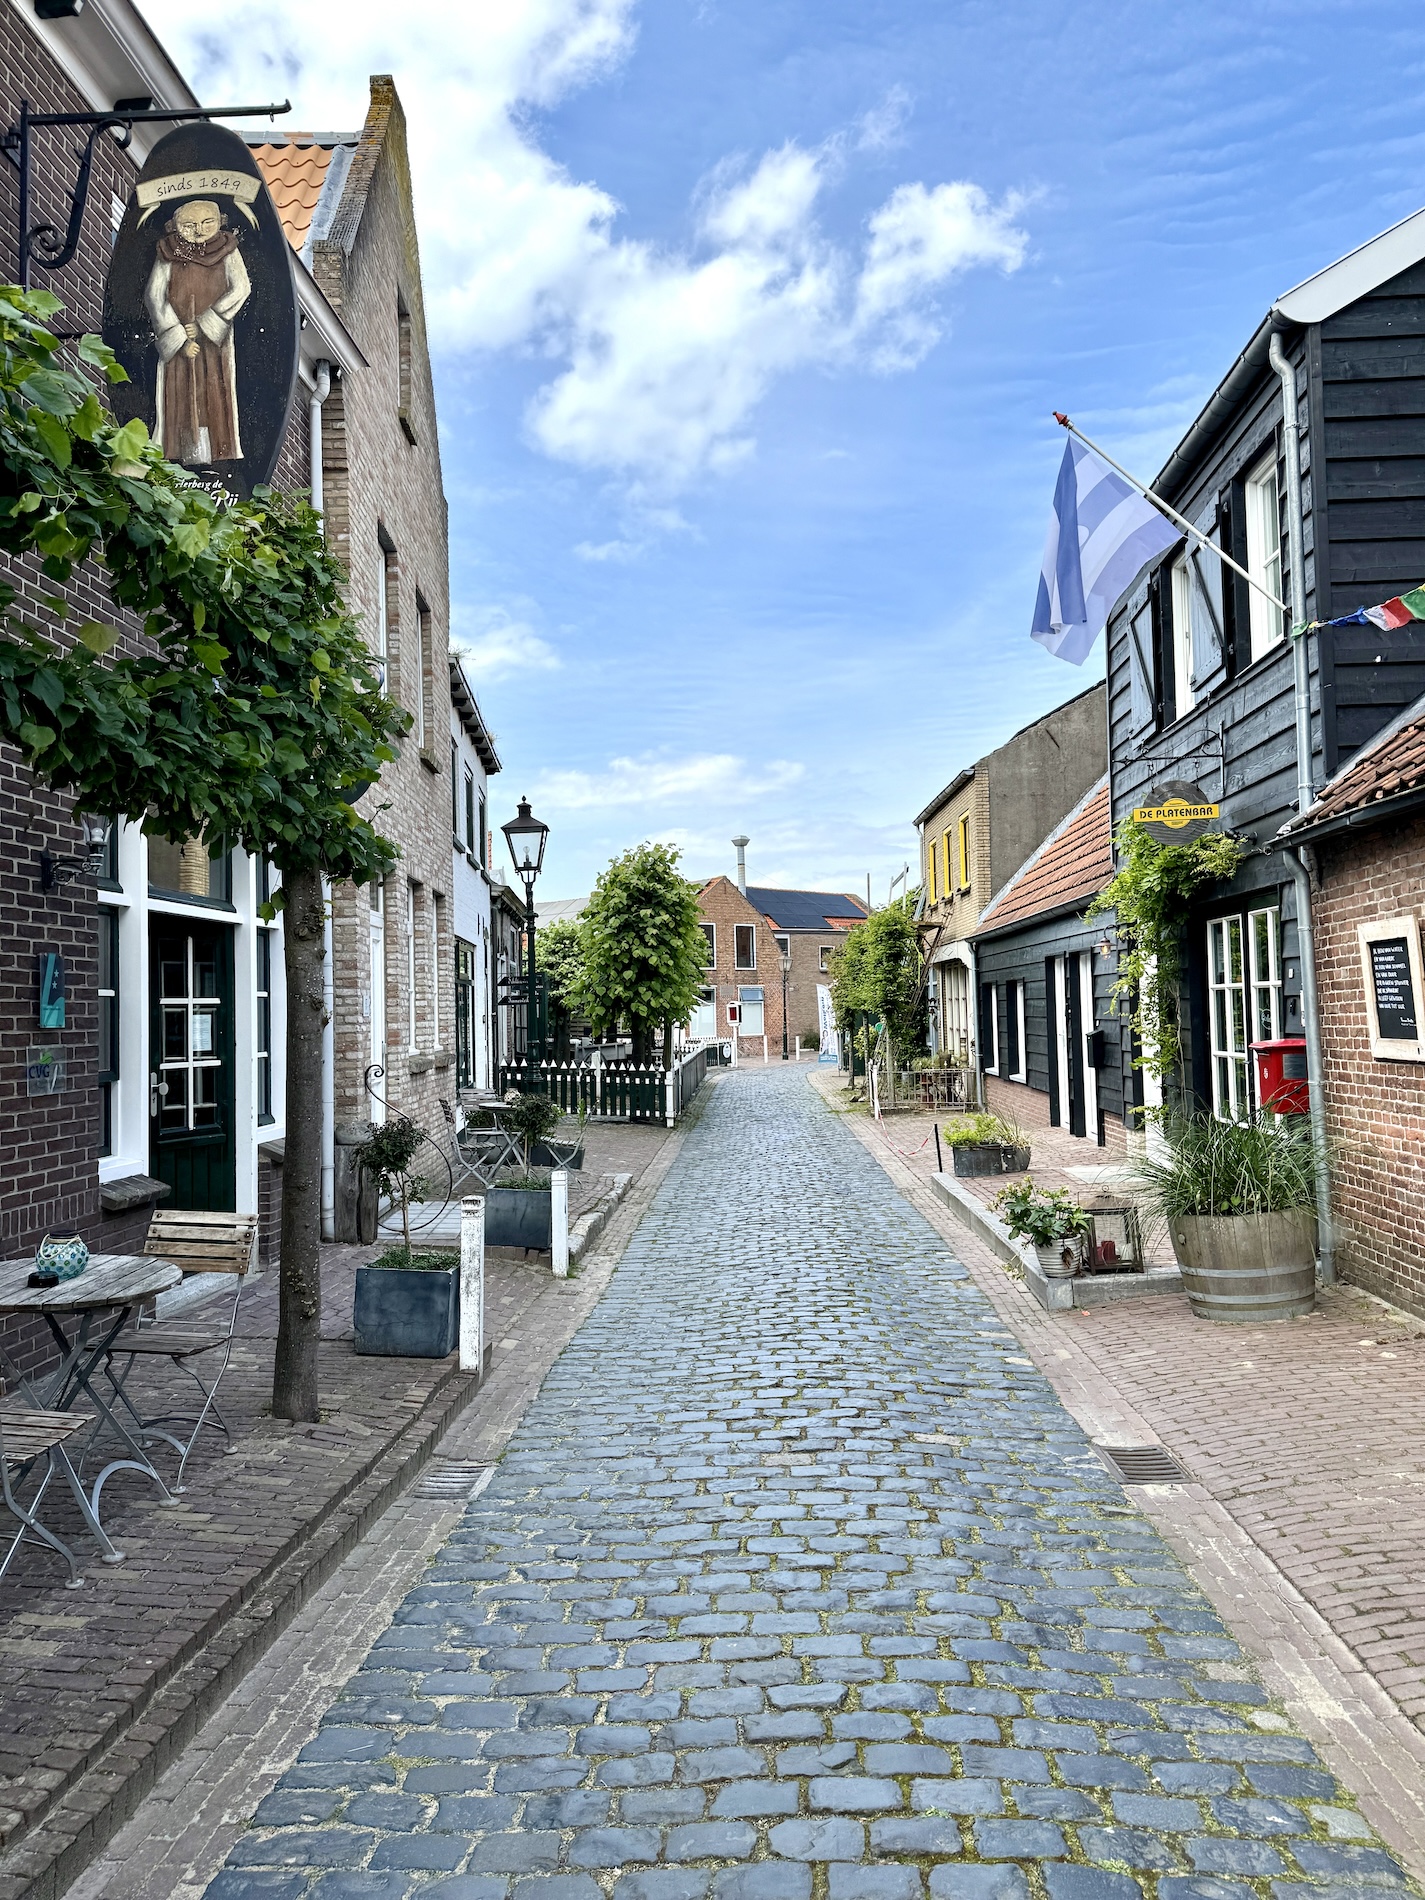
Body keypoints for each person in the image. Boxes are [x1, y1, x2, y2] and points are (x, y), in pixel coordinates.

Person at [144, 198, 251, 466]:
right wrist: (179, 337)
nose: (199, 230)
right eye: (190, 225)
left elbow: (241, 288)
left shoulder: (227, 250)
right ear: (175, 226)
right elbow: (155, 296)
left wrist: (205, 323)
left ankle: (214, 456)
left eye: (207, 223)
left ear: (219, 222)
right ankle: (184, 455)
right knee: (179, 393)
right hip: (180, 341)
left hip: (215, 342)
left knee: (215, 392)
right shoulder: (168, 252)